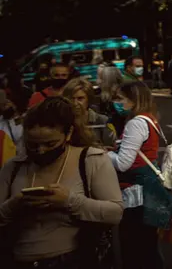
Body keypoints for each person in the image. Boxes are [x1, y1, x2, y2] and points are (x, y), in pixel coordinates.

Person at [0, 97, 123, 268]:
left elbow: (115, 213)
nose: (41, 151)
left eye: (50, 144)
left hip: (72, 260)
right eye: (33, 145)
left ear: (69, 134)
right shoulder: (14, 167)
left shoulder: (91, 159)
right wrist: (14, 205)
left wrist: (69, 201)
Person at [108, 81, 168, 269]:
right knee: (148, 245)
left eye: (120, 99)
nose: (115, 102)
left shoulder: (136, 123)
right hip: (149, 191)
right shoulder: (149, 119)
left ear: (134, 100)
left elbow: (123, 164)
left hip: (137, 194)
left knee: (135, 246)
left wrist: (103, 154)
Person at [62, 78, 116, 148]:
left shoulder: (102, 120)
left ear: (89, 99)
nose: (75, 103)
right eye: (71, 98)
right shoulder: (62, 120)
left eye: (80, 98)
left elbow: (111, 148)